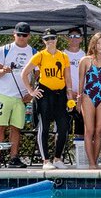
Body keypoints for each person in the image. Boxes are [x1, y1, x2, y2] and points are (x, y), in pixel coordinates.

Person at [18, 29, 71, 170]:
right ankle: (45, 160)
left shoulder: (63, 56)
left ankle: (58, 158)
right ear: (44, 41)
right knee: (44, 127)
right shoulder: (40, 56)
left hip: (61, 94)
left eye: (52, 38)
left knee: (63, 126)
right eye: (47, 39)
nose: (50, 41)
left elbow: (68, 77)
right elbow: (24, 73)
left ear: (57, 39)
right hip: (45, 94)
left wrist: (70, 93)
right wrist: (31, 91)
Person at [0, 22, 35, 168]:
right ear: (13, 34)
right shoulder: (4, 50)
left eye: (25, 35)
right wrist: (4, 70)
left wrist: (31, 92)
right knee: (0, 126)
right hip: (3, 94)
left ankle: (13, 158)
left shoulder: (34, 52)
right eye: (19, 34)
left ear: (29, 36)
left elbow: (38, 75)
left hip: (21, 96)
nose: (21, 37)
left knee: (16, 127)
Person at [77, 32, 101, 169]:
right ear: (94, 44)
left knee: (99, 130)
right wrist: (79, 99)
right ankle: (91, 163)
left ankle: (95, 161)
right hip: (88, 96)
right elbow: (81, 81)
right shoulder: (86, 60)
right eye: (98, 43)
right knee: (89, 130)